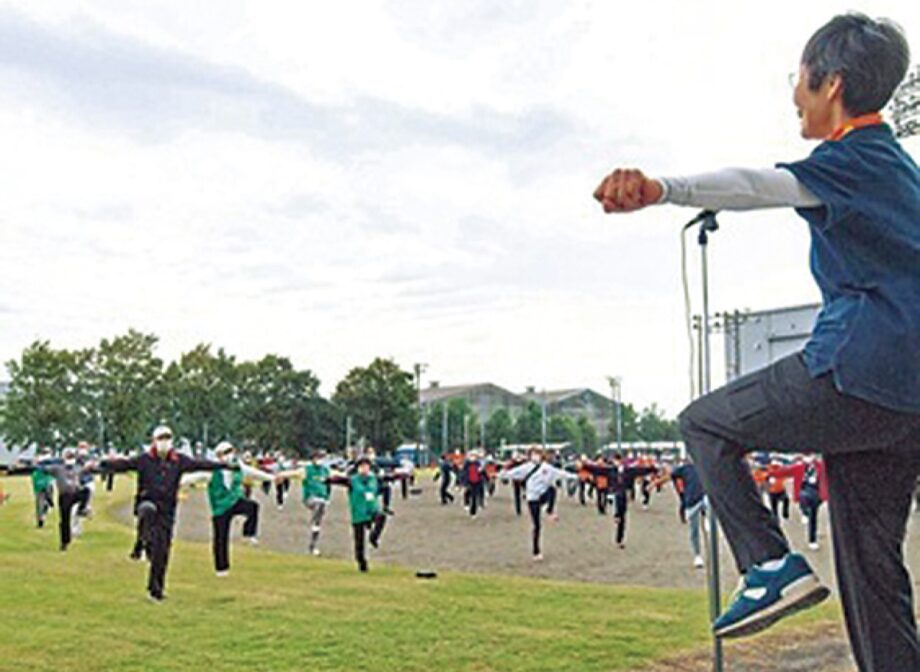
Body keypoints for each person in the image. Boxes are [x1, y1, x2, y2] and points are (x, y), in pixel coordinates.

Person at [593, 13, 919, 667]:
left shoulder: (849, 159)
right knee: (869, 564)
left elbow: (755, 186)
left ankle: (770, 564)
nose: (792, 94)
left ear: (829, 83)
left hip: (861, 367)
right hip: (908, 403)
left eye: (797, 79)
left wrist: (663, 190)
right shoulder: (902, 174)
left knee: (705, 424)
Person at [101, 425, 234, 602]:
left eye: (167, 438)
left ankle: (155, 589)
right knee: (147, 511)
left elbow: (201, 464)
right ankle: (141, 545)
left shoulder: (179, 460)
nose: (164, 442)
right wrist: (102, 463)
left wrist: (223, 465)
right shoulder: (144, 460)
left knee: (162, 551)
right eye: (161, 438)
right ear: (154, 441)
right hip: (146, 502)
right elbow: (124, 464)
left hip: (167, 510)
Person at [194, 441, 275, 576]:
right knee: (220, 537)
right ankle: (221, 569)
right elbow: (195, 477)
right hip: (220, 507)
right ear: (218, 456)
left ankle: (248, 533)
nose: (228, 455)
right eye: (225, 453)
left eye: (230, 451)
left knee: (252, 507)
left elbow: (253, 472)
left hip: (234, 500)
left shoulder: (238, 467)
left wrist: (272, 478)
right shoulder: (211, 471)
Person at [498, 447, 578, 561]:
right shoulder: (526, 467)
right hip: (532, 499)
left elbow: (560, 473)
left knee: (552, 489)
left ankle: (549, 511)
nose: (535, 456)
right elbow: (512, 473)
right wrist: (499, 474)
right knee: (537, 526)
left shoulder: (546, 467)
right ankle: (536, 550)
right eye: (533, 454)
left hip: (543, 495)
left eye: (537, 454)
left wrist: (575, 476)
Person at [330, 455, 390, 573]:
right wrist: (328, 479)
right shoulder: (352, 480)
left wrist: (403, 475)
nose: (364, 469)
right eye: (362, 466)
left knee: (381, 516)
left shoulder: (374, 479)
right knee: (359, 541)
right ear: (358, 468)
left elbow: (389, 479)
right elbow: (339, 480)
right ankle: (362, 563)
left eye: (366, 466)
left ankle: (374, 537)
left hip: (372, 509)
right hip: (358, 513)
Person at [277, 450, 333, 556]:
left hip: (322, 500)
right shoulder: (306, 470)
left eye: (321, 458)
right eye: (317, 458)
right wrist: (280, 475)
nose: (319, 460)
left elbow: (339, 476)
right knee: (319, 504)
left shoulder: (326, 471)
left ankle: (313, 543)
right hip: (310, 499)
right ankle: (315, 519)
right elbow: (292, 473)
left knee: (317, 523)